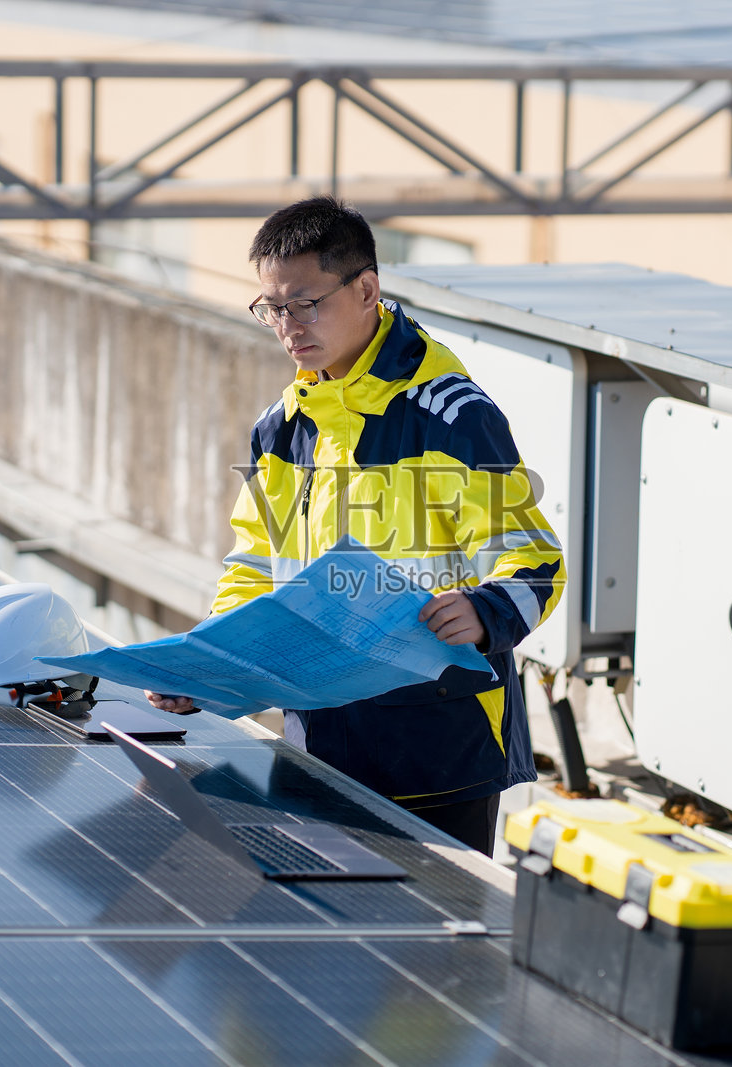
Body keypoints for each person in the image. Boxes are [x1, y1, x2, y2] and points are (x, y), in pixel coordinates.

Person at [148, 197, 564, 854]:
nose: (288, 326)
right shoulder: (281, 429)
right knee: (325, 944)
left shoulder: (450, 417)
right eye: (272, 308)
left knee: (436, 951)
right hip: (317, 741)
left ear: (367, 288)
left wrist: (484, 610)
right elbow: (254, 567)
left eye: (305, 303)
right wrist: (208, 665)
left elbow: (534, 557)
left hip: (438, 754)